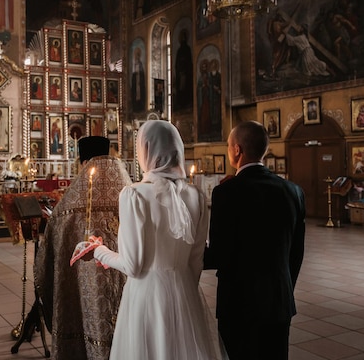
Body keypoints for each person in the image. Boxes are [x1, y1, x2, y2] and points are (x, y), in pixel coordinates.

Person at [93, 120, 224, 360]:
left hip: (146, 295)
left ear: (146, 151)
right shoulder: (196, 196)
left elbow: (132, 266)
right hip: (185, 292)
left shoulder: (134, 195)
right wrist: (181, 291)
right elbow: (196, 263)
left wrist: (99, 251)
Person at [204, 121, 306, 360]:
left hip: (239, 304)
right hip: (279, 300)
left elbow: (219, 254)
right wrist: (283, 287)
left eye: (229, 146)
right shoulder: (293, 191)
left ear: (237, 150)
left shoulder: (226, 193)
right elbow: (296, 252)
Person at [35, 136, 132, 360]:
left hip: (84, 287)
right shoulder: (129, 190)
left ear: (82, 161)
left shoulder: (69, 204)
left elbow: (50, 249)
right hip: (126, 281)